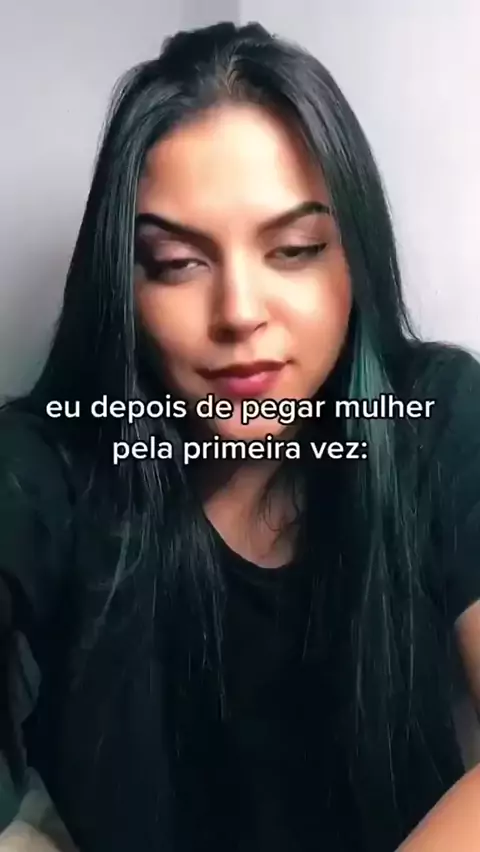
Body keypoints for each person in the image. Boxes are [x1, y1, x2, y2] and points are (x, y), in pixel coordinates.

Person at [0, 19, 480, 852]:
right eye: (177, 263)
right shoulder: (44, 469)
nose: (240, 313)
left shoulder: (432, 417)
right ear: (123, 282)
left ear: (355, 259)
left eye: (294, 249)